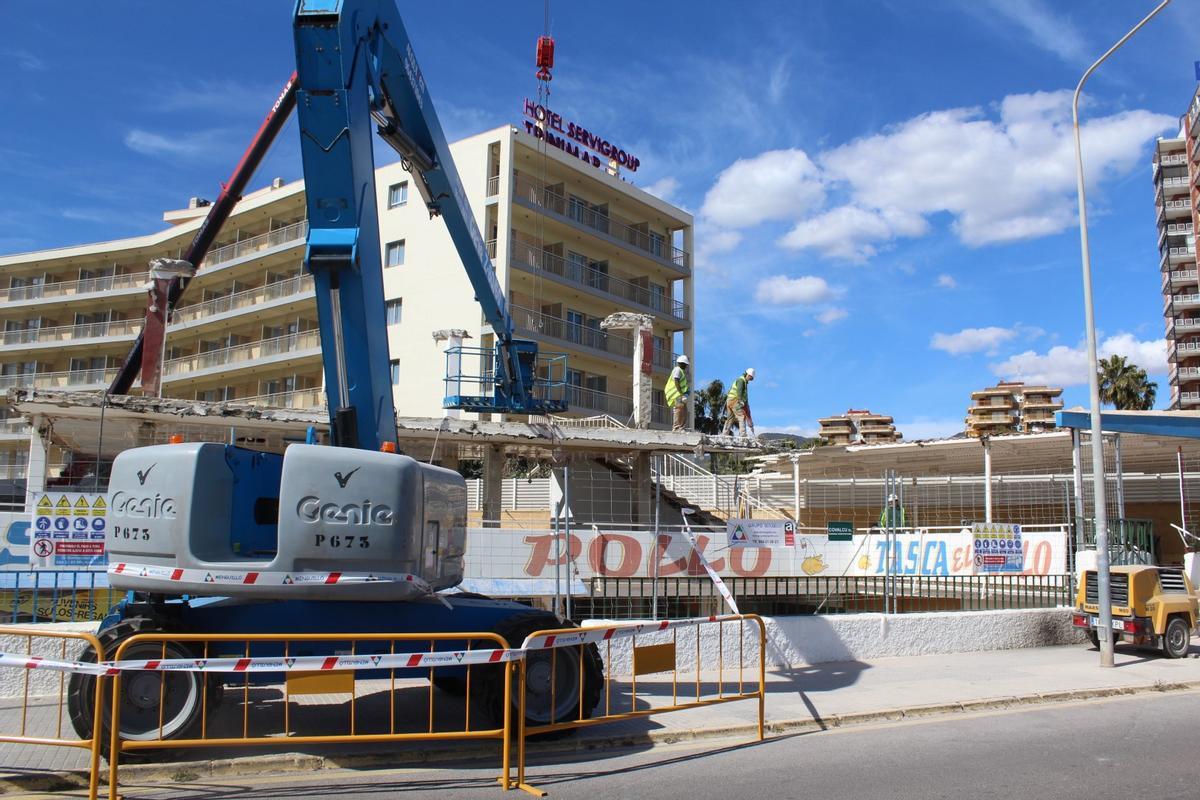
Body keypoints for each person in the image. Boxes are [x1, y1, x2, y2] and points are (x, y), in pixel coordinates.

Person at [721, 367, 755, 438]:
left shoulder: (741, 380)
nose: (750, 379)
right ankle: (743, 434)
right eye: (750, 377)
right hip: (735, 400)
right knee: (741, 416)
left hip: (729, 400)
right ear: (747, 375)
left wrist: (746, 404)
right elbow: (739, 392)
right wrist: (740, 401)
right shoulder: (741, 381)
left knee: (730, 418)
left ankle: (724, 433)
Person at [665, 354, 690, 431]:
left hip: (680, 394)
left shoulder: (681, 371)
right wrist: (681, 394)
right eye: (685, 364)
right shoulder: (677, 370)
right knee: (679, 410)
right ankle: (676, 428)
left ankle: (681, 427)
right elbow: (676, 381)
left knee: (684, 411)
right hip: (677, 394)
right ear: (682, 363)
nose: (686, 366)